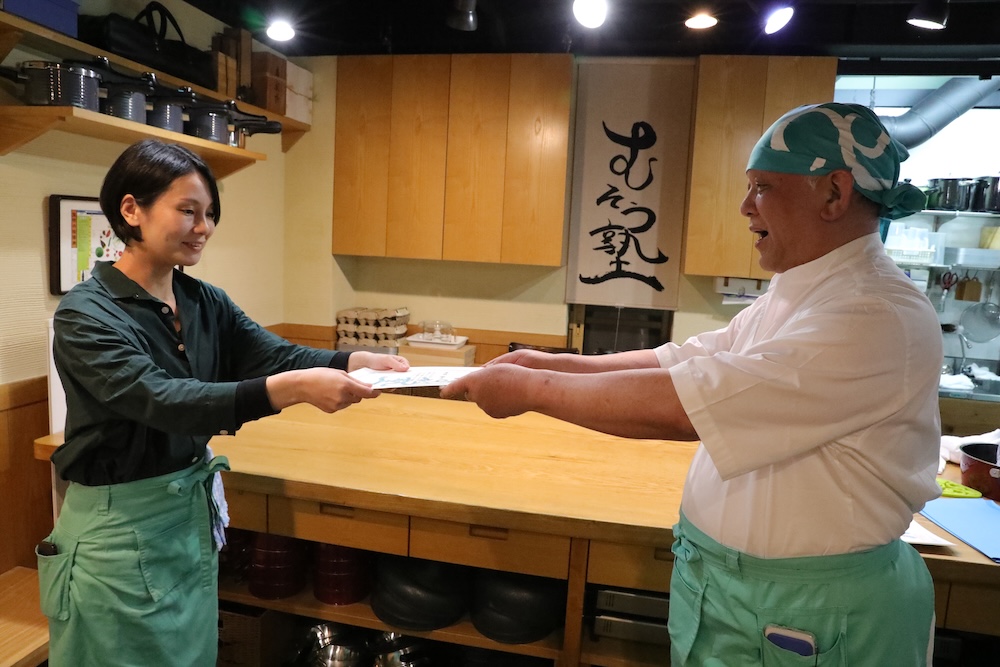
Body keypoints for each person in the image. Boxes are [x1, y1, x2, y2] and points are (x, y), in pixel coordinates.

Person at [443, 102, 942, 665]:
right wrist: (548, 363)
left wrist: (529, 390)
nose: (745, 206)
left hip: (814, 610)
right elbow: (687, 359)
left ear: (834, 192)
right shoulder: (802, 291)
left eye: (762, 188)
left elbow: (684, 405)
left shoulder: (874, 314)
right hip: (730, 588)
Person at [40, 138, 408, 666]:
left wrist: (352, 360)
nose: (204, 227)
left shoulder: (202, 299)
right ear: (132, 209)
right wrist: (294, 389)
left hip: (187, 519)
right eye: (188, 211)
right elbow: (163, 399)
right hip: (116, 533)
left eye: (210, 214)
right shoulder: (86, 314)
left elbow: (274, 354)